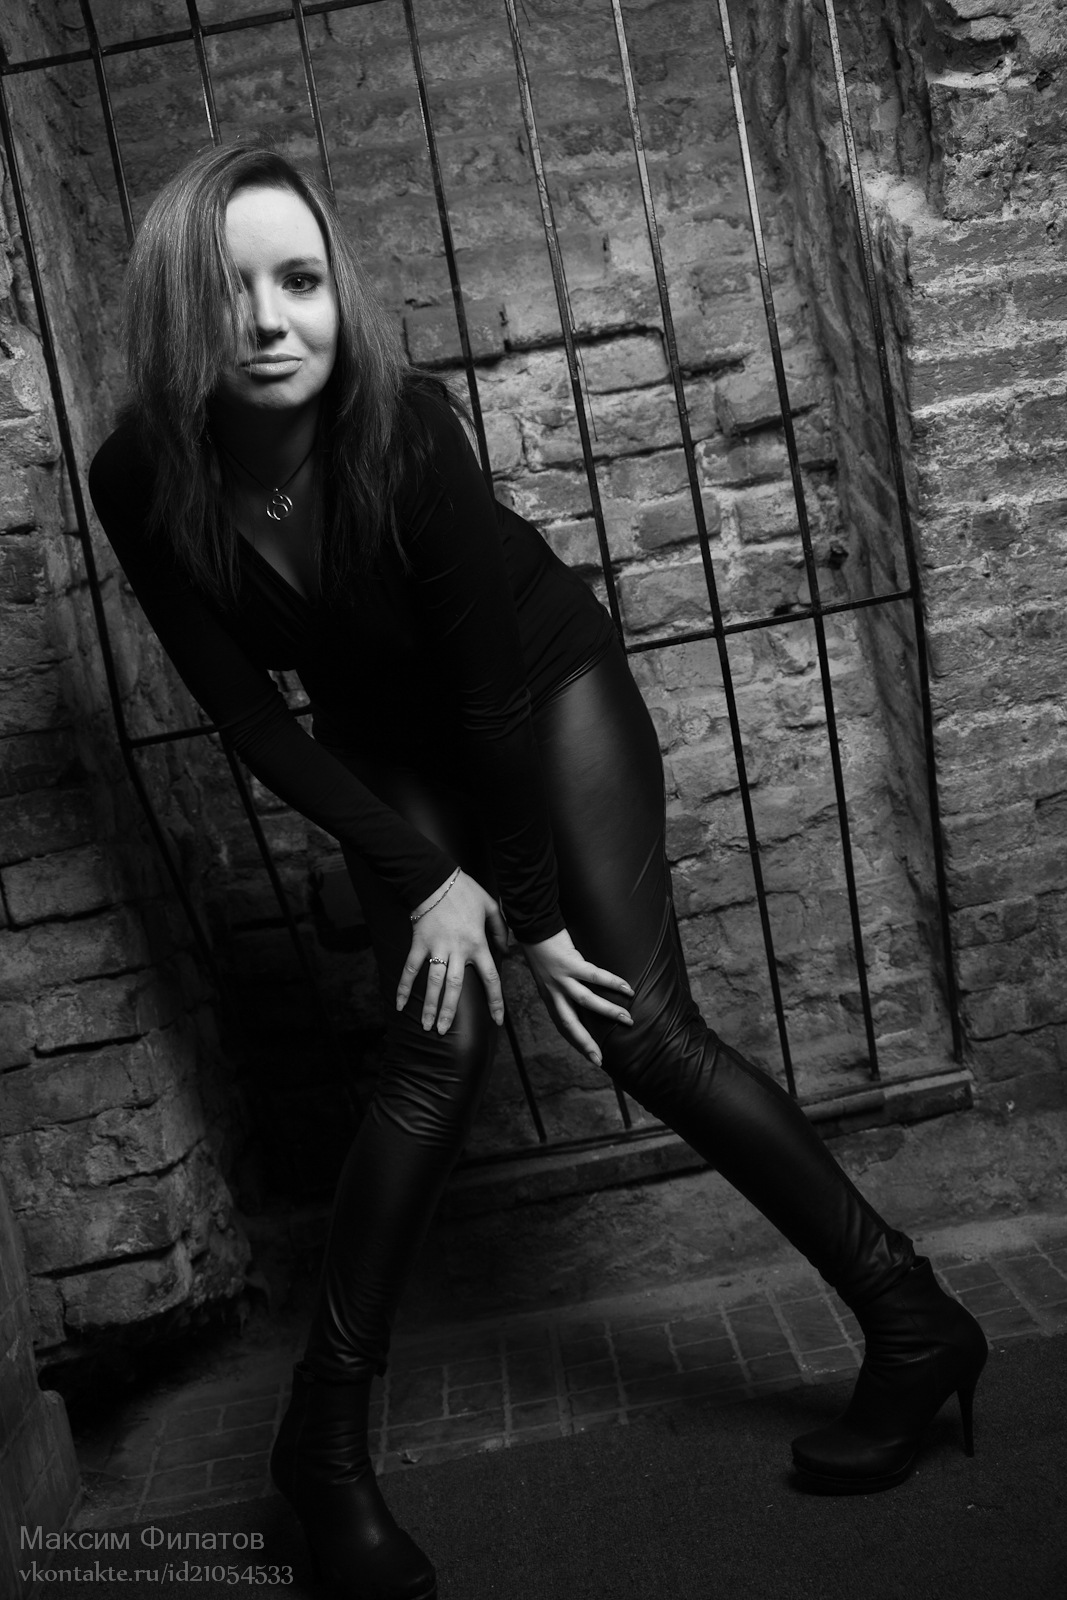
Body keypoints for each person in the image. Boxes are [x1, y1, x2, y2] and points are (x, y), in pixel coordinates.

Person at [90, 143, 986, 1600]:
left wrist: (530, 910)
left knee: (640, 1027)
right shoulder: (140, 473)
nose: (269, 320)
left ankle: (913, 1318)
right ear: (171, 313)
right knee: (434, 1051)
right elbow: (251, 718)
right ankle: (323, 1450)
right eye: (228, 289)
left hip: (537, 690)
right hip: (382, 746)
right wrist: (427, 882)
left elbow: (493, 699)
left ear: (339, 291)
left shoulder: (406, 427)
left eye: (301, 280)